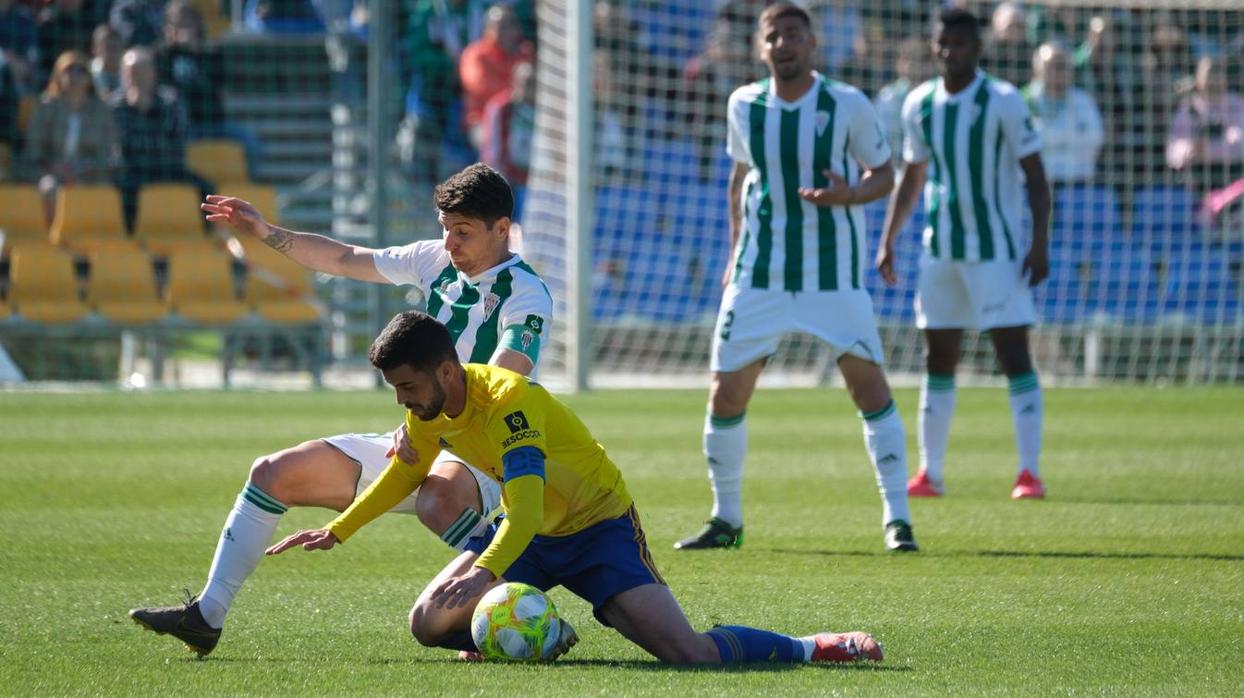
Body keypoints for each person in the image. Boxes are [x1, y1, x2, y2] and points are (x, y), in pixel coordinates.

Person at [267, 310, 886, 666]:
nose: (402, 402)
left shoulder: (509, 402)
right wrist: (339, 528)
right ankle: (544, 634)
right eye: (396, 391)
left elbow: (531, 505)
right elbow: (406, 471)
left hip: (597, 528)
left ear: (445, 371)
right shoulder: (428, 410)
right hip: (526, 537)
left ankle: (815, 648)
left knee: (688, 655)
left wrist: (485, 573)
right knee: (427, 623)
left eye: (406, 387)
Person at [128, 163, 554, 657]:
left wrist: (432, 428)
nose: (450, 243)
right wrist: (266, 233)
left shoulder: (525, 293)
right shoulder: (433, 261)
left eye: (462, 232)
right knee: (272, 473)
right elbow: (345, 257)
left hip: (484, 451)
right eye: (444, 229)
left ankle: (512, 590)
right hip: (420, 437)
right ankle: (206, 617)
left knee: (439, 497)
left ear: (502, 230)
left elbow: (506, 376)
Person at [673, 3, 918, 554]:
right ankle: (726, 520)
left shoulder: (845, 103)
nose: (782, 44)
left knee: (869, 388)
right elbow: (740, 180)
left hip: (831, 276)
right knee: (726, 393)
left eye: (792, 34)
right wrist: (735, 255)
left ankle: (898, 520)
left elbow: (883, 174)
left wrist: (849, 195)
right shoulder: (744, 104)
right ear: (761, 49)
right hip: (759, 273)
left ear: (812, 44)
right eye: (772, 36)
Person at [878, 8, 1051, 501]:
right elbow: (912, 177)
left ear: (979, 48)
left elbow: (1037, 179)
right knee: (938, 356)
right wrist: (888, 238)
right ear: (933, 47)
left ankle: (1029, 472)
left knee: (1013, 353)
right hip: (941, 252)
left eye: (959, 43)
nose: (949, 51)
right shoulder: (920, 103)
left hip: (996, 250)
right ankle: (929, 473)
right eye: (942, 43)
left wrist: (1039, 243)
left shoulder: (1004, 100)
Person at [110, 46, 213, 230]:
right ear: (123, 75)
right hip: (133, 170)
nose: (138, 78)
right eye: (133, 72)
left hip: (167, 168)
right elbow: (120, 145)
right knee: (121, 189)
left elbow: (177, 140)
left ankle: (210, 237)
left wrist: (148, 110)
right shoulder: (115, 106)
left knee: (206, 189)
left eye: (143, 71)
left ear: (153, 73)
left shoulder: (171, 101)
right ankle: (129, 237)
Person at [23, 50, 119, 223]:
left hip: (92, 174)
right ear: (58, 76)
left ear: (89, 78)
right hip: (51, 172)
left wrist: (88, 169)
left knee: (106, 190)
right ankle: (55, 239)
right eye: (68, 71)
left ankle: (92, 238)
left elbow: (110, 152)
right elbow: (33, 149)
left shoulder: (102, 111)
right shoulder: (45, 108)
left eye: (80, 71)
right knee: (49, 188)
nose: (74, 77)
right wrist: (53, 166)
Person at [1023, 40, 1103, 187]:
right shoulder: (1022, 100)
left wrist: (1049, 141)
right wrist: (1067, 138)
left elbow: (1093, 143)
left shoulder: (1084, 101)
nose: (1058, 71)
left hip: (1078, 181)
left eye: (1063, 66)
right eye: (1052, 65)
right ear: (1037, 67)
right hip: (1033, 184)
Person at [1166, 55, 1244, 200]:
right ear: (1198, 78)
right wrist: (1189, 148)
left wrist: (1205, 149)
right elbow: (1173, 153)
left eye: (1217, 74)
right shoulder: (1188, 108)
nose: (1213, 80)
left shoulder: (1237, 105)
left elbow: (1239, 148)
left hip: (1233, 183)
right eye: (1208, 74)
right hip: (1196, 185)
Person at [458, 4, 533, 150]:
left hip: (521, 118)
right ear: (487, 29)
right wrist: (516, 91)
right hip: (482, 121)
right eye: (499, 26)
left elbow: (534, 86)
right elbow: (480, 86)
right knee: (490, 142)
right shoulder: (475, 54)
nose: (505, 31)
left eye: (510, 25)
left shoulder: (526, 53)